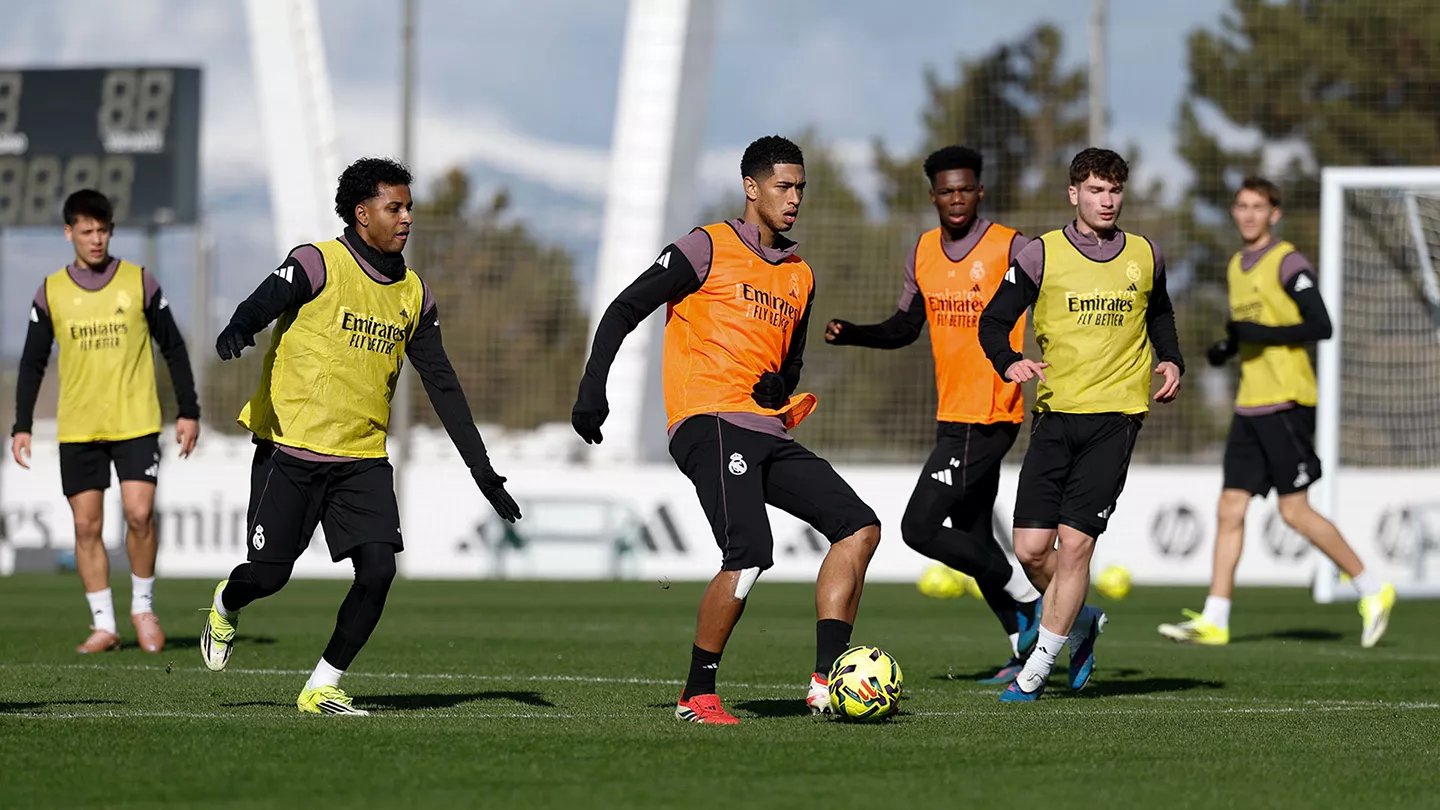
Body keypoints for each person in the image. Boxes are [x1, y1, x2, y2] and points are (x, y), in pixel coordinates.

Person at [572, 135, 882, 724]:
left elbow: (788, 368)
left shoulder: (800, 274)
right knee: (749, 552)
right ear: (751, 187)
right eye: (783, 187)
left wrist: (780, 388)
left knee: (859, 527)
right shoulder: (705, 246)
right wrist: (593, 388)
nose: (794, 199)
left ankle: (825, 682)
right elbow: (623, 308)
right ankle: (696, 695)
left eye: (801, 188)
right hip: (707, 421)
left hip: (767, 429)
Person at [200, 157, 521, 716]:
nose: (407, 218)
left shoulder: (413, 294)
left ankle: (321, 686)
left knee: (378, 570)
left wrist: (482, 470)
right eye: (395, 207)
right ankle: (227, 604)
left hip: (361, 458)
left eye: (409, 207)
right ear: (361, 212)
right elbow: (265, 300)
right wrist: (238, 327)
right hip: (290, 449)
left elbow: (443, 385)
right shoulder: (318, 261)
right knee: (270, 576)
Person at [824, 145, 1042, 683]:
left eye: (965, 189)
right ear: (933, 196)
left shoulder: (1011, 247)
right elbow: (905, 327)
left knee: (919, 527)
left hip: (991, 411)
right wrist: (855, 333)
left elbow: (1053, 295)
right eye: (946, 191)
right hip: (953, 413)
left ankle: (1032, 598)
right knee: (972, 533)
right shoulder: (922, 251)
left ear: (980, 191)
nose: (956, 199)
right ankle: (1023, 650)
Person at [978, 147, 1184, 701]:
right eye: (1095, 190)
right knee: (1030, 550)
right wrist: (1008, 361)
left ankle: (1037, 671)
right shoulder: (1040, 255)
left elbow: (1159, 312)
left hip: (1116, 417)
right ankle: (1081, 620)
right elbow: (993, 321)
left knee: (1075, 548)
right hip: (1054, 414)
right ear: (1074, 194)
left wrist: (1171, 358)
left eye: (1114, 191)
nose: (1107, 200)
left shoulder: (1145, 254)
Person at [1158, 176, 1395, 648]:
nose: (1248, 214)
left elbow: (1320, 324)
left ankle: (1373, 588)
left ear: (1274, 214)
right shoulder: (1234, 265)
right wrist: (1230, 346)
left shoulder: (1287, 261)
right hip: (1250, 404)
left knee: (1294, 512)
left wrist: (1255, 334)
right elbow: (1253, 329)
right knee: (1230, 508)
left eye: (1258, 206)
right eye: (1241, 205)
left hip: (1287, 401)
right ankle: (1216, 618)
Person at [10, 189, 200, 655]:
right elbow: (32, 362)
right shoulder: (50, 291)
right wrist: (22, 424)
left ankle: (142, 607)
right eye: (86, 231)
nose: (96, 240)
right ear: (69, 232)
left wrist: (188, 410)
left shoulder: (139, 282)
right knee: (86, 527)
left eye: (103, 230)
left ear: (112, 231)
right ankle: (104, 625)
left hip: (135, 421)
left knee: (138, 515)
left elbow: (173, 348)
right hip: (78, 428)